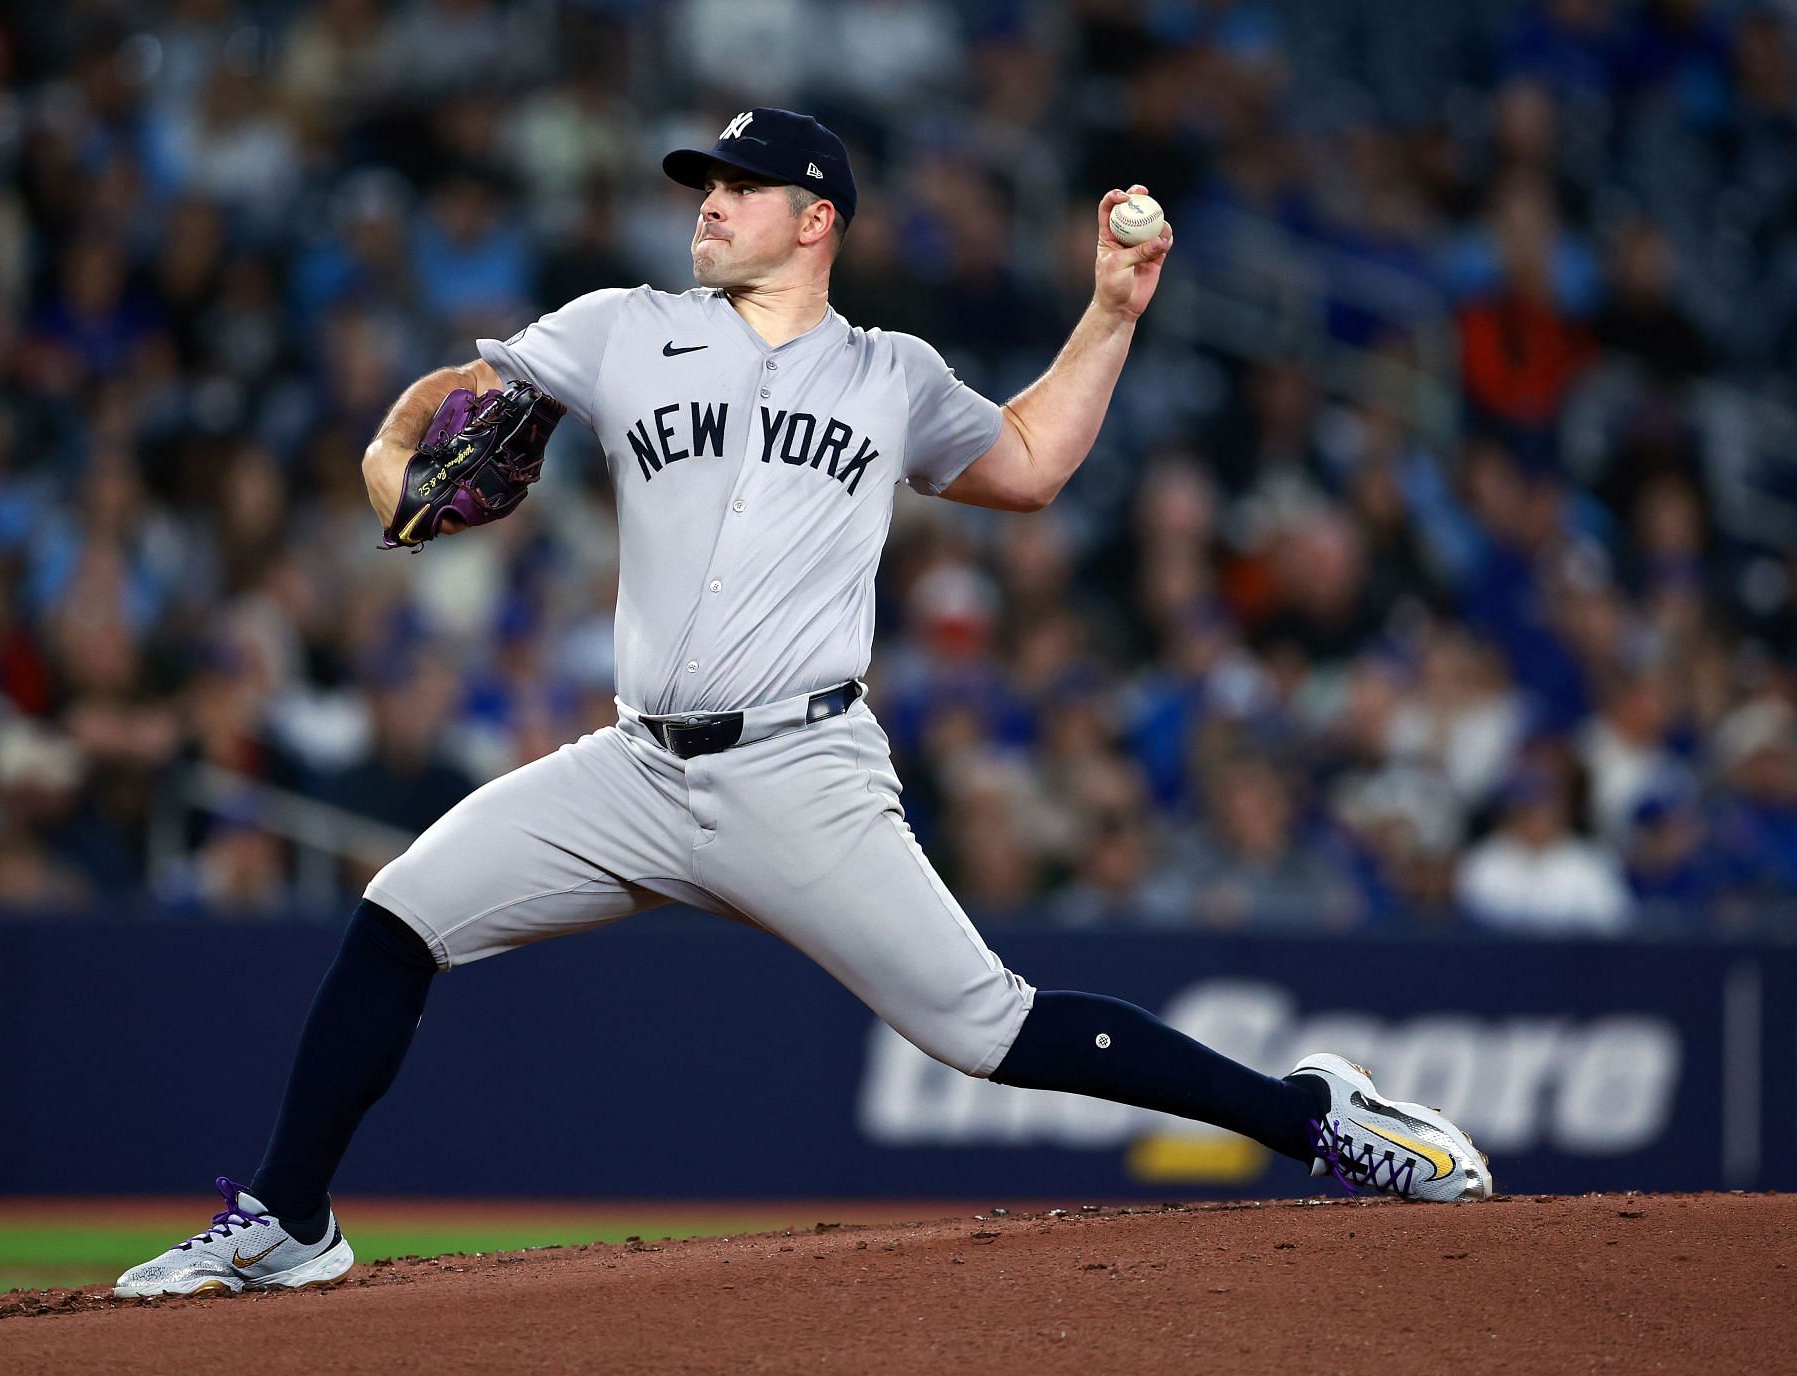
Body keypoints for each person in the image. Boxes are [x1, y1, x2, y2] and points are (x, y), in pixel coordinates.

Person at [114, 108, 1489, 1299]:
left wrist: (1113, 315)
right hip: (634, 772)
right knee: (398, 917)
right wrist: (392, 447)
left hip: (802, 768)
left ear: (814, 216)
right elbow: (456, 408)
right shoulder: (618, 330)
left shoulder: (891, 373)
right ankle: (291, 1221)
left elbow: (1024, 465)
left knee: (988, 1030)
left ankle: (1315, 1120)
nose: (707, 203)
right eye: (701, 183)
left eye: (738, 185)